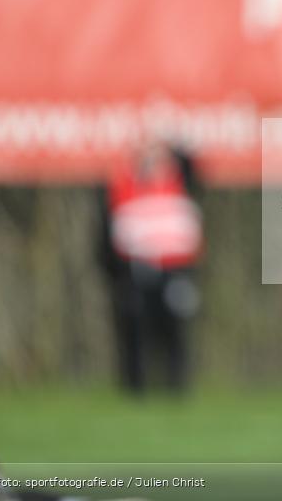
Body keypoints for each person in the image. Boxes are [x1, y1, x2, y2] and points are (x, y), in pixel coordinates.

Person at [100, 139, 203, 394]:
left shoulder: (181, 187)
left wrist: (167, 141)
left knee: (175, 330)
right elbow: (110, 232)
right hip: (137, 271)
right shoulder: (126, 188)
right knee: (135, 329)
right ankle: (136, 386)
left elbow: (192, 165)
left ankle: (176, 385)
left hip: (175, 271)